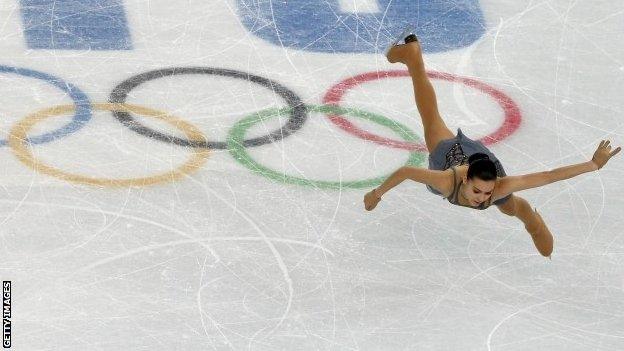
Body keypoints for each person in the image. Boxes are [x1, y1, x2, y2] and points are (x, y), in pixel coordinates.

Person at [363, 30, 621, 258]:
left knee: (510, 207)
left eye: (487, 193)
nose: (482, 198)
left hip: (484, 163)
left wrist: (593, 164)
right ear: (465, 181)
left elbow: (547, 176)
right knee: (430, 117)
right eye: (479, 192)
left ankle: (533, 221)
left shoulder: (497, 188)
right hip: (453, 154)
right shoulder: (445, 180)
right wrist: (376, 194)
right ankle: (413, 56)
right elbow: (406, 172)